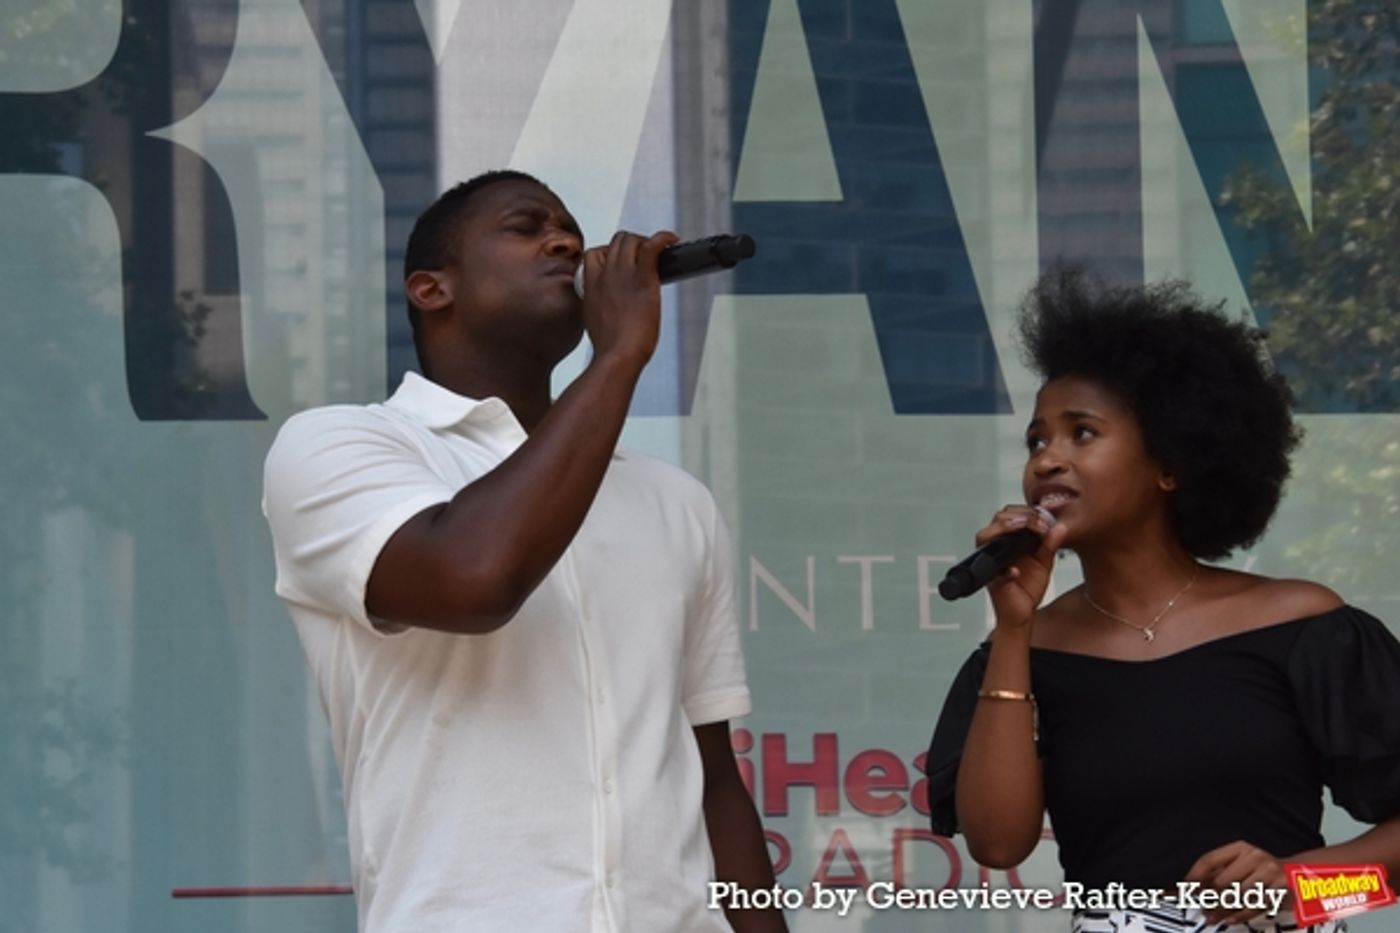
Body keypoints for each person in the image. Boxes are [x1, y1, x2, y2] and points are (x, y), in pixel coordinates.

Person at [263, 170, 785, 933]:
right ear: (431, 288)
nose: (567, 241)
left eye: (570, 226)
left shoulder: (676, 502)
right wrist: (616, 361)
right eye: (526, 225)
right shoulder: (337, 447)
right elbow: (474, 580)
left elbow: (712, 782)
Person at [926, 268, 1400, 932]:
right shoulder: (1023, 652)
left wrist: (1305, 884)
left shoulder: (1303, 626)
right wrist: (1012, 627)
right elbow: (998, 844)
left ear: (1171, 463)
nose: (1047, 460)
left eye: (1081, 433)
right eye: (1037, 440)